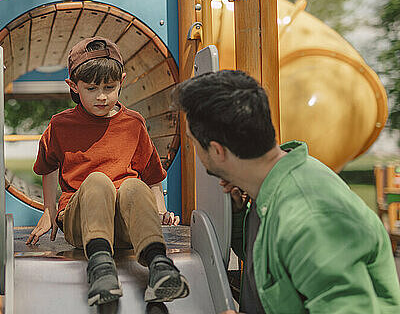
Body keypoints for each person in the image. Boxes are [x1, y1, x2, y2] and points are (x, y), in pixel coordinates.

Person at [173, 69, 400, 313]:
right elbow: (279, 266)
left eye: (192, 142)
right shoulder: (269, 191)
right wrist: (238, 218)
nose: (193, 150)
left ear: (217, 151)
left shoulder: (311, 217)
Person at [26, 36, 189, 306]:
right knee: (99, 181)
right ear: (74, 86)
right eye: (91, 89)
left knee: (133, 186)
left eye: (110, 87)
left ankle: (160, 266)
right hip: (82, 220)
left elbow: (150, 176)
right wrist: (49, 211)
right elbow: (48, 166)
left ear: (121, 81)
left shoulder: (133, 123)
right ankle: (101, 269)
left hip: (124, 227)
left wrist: (158, 212)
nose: (102, 96)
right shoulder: (61, 125)